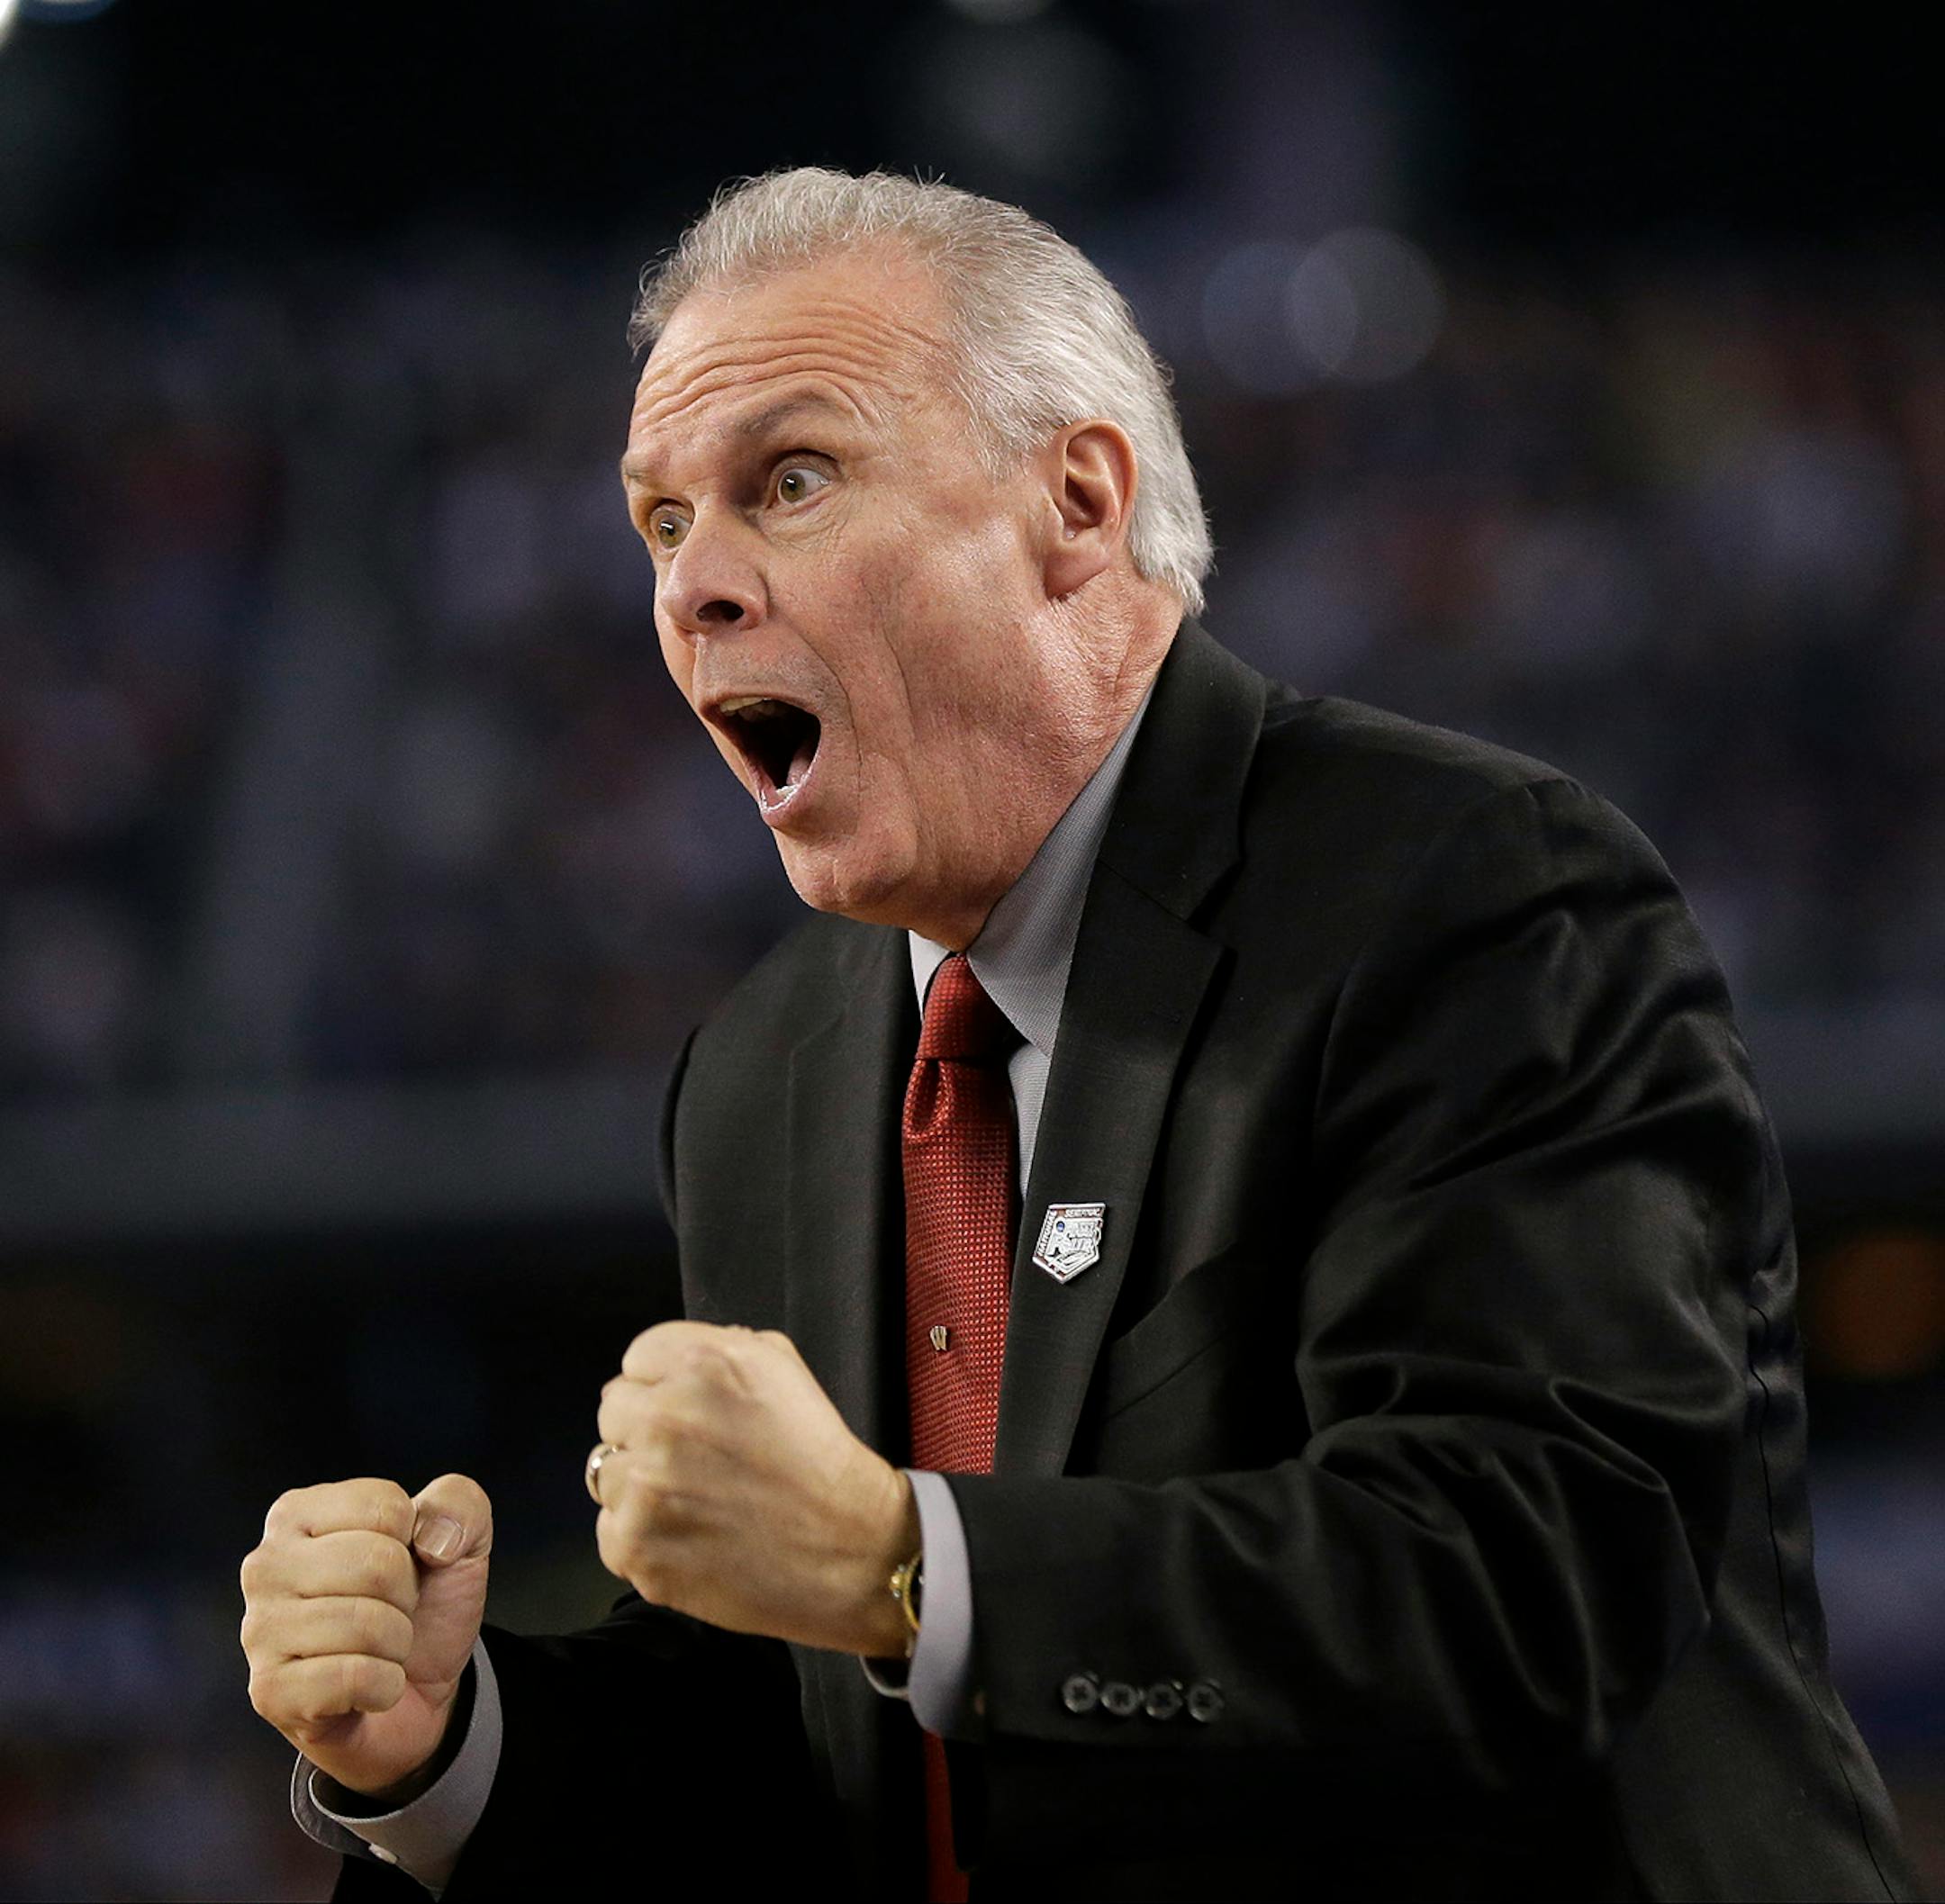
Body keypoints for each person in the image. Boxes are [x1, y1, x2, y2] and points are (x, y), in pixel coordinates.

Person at [238, 169, 1917, 1901]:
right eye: (662, 523)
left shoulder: (1470, 894)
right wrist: (444, 1746)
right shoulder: (764, 1075)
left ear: (1076, 498)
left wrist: (908, 1564)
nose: (695, 589)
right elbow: (816, 1752)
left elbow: (1536, 1583)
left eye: (790, 480)